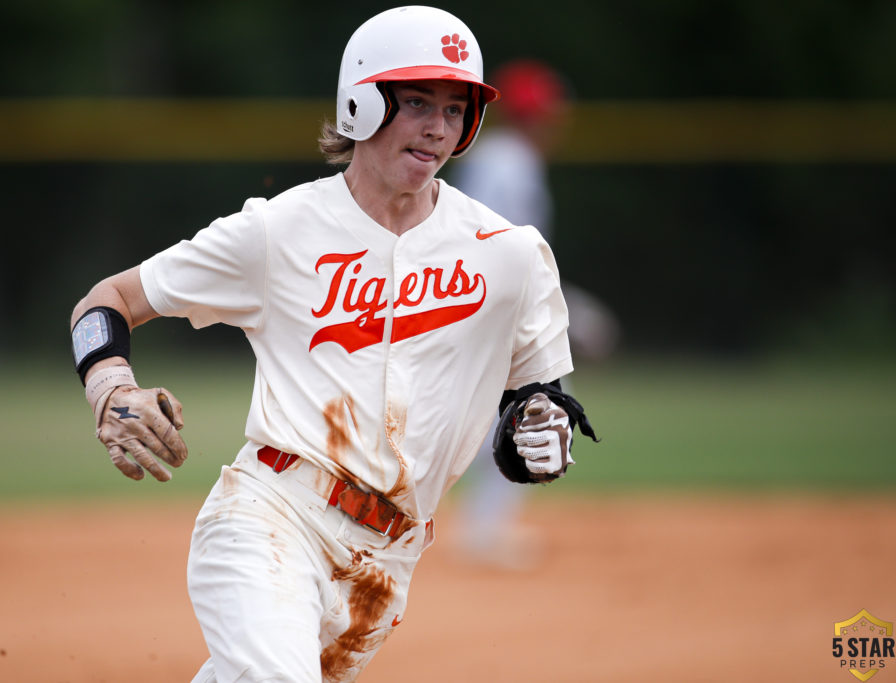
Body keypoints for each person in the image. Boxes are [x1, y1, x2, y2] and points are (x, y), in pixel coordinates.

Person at [68, 7, 596, 682]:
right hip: (270, 518)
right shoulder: (281, 230)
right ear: (361, 103)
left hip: (385, 567)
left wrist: (539, 434)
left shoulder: (510, 255)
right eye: (415, 102)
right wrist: (109, 385)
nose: (438, 126)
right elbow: (106, 301)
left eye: (456, 108)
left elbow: (535, 403)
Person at [448, 60, 615, 568]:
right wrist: (568, 311)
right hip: (495, 302)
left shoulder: (500, 157)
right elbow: (510, 245)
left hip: (481, 297)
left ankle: (480, 526)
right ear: (536, 116)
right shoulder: (511, 163)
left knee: (497, 413)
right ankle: (483, 530)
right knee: (537, 409)